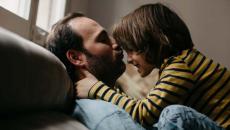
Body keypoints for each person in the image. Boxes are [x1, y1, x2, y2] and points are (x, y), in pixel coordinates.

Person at [76, 3, 230, 130]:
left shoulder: (180, 66)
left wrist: (96, 89)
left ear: (153, 42)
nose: (128, 59)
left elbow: (144, 114)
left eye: (131, 50)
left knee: (174, 115)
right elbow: (148, 107)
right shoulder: (182, 62)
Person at [46, 12, 145, 130]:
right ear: (76, 58)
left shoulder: (118, 100)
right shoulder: (109, 114)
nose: (117, 44)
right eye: (103, 39)